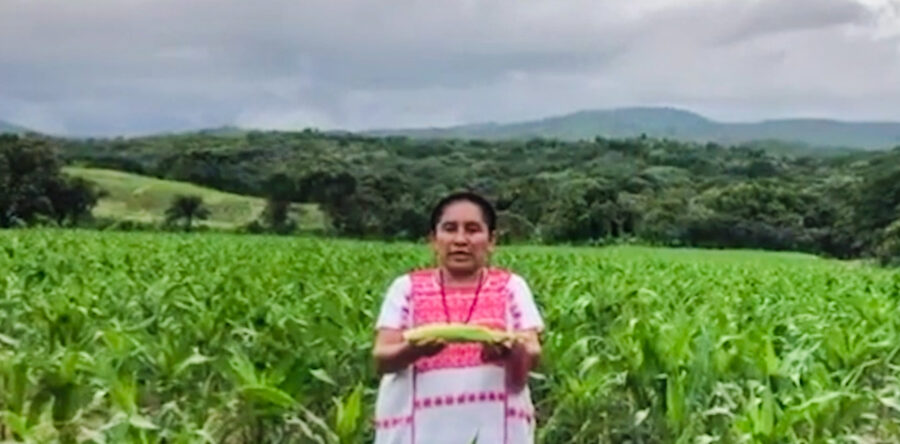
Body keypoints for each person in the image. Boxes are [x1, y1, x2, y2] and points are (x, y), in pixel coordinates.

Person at [372, 191, 544, 444]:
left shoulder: (511, 287)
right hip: (418, 433)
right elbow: (381, 360)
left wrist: (508, 351)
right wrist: (413, 351)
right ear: (434, 239)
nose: (460, 240)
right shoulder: (406, 288)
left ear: (492, 240)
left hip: (495, 432)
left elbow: (530, 358)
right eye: (450, 229)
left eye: (473, 229)